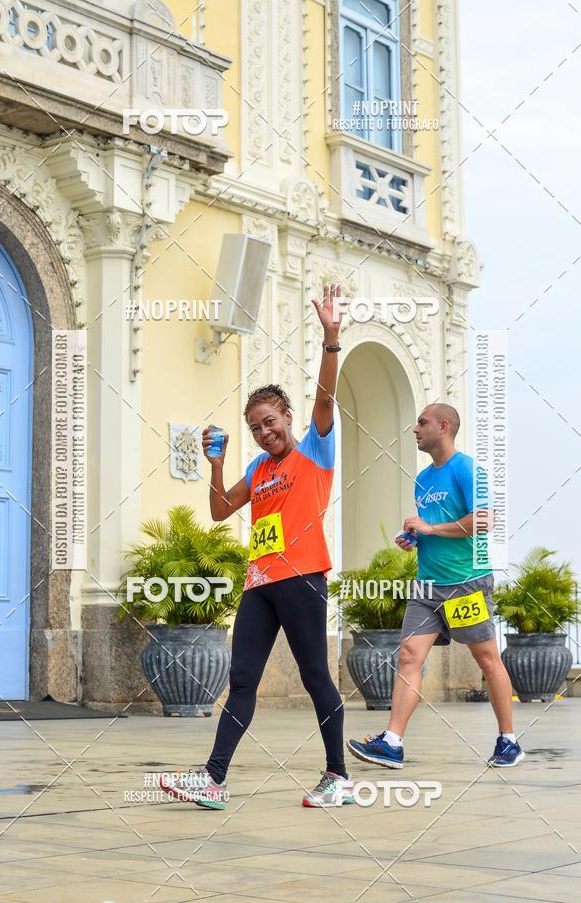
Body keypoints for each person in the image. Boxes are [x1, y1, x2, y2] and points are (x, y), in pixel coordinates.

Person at [159, 283, 355, 809]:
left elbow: (325, 396)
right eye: (256, 427)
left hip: (304, 577)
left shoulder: (315, 447)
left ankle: (338, 776)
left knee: (316, 677)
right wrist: (218, 464)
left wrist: (330, 337)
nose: (265, 431)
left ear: (288, 418)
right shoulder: (257, 468)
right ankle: (213, 779)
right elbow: (222, 510)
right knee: (242, 678)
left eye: (271, 421)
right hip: (261, 583)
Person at [347, 403, 524, 770]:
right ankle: (392, 743)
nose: (415, 429)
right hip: (427, 587)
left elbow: (484, 521)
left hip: (466, 584)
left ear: (444, 426)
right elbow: (434, 527)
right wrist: (414, 537)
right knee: (410, 655)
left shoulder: (467, 469)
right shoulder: (422, 479)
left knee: (486, 659)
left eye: (422, 422)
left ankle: (508, 741)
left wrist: (429, 529)